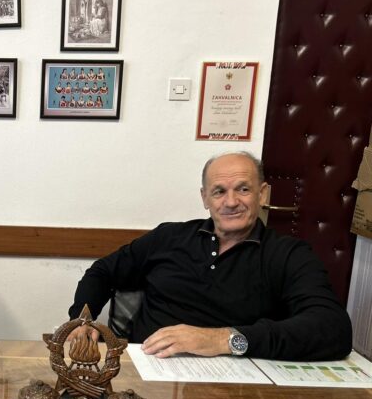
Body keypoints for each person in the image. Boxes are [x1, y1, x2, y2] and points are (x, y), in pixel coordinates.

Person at [68, 152, 353, 362]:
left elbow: (334, 329)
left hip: (236, 383)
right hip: (147, 368)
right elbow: (102, 272)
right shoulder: (169, 237)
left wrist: (223, 339)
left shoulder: (288, 254)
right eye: (219, 192)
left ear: (263, 194)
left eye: (243, 189)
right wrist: (82, 320)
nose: (231, 202)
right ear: (205, 198)